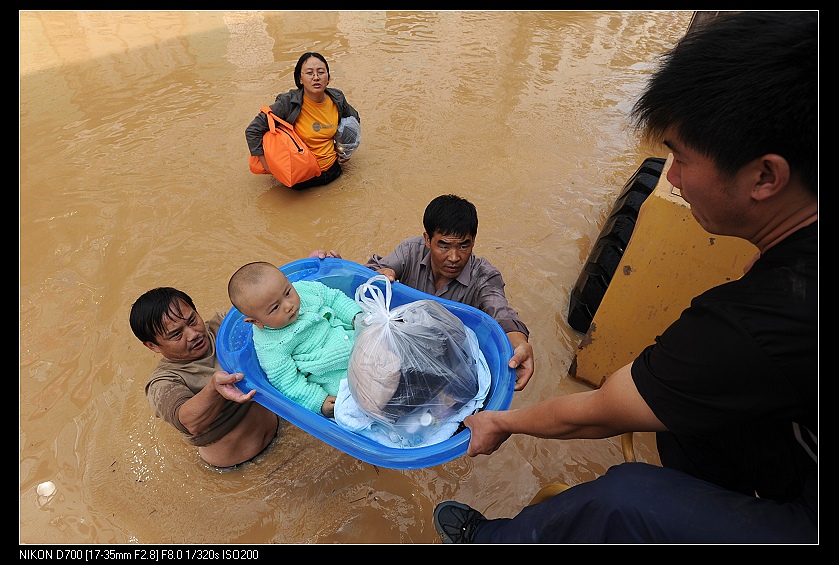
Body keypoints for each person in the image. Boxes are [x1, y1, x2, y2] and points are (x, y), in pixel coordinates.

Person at [433, 11, 817, 543]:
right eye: (442, 245)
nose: (672, 179)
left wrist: (501, 419)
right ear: (427, 242)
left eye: (679, 158)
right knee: (687, 426)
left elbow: (600, 409)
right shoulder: (406, 256)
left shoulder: (758, 320)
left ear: (765, 176)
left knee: (624, 498)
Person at [363, 194, 535, 391]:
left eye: (464, 246)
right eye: (443, 246)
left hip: (447, 361)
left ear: (474, 240)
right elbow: (370, 276)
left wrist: (520, 345)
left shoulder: (484, 277)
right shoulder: (411, 250)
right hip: (400, 344)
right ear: (427, 239)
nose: (454, 257)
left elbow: (503, 315)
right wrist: (380, 274)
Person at [130, 287, 280, 470]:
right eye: (177, 334)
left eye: (192, 320)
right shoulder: (164, 381)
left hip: (281, 429)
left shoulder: (224, 328)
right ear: (153, 346)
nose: (193, 334)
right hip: (237, 472)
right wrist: (214, 389)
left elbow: (279, 316)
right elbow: (189, 422)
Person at [227, 261, 362, 418]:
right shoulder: (270, 346)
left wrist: (356, 317)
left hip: (357, 340)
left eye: (287, 292)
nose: (288, 305)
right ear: (255, 322)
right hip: (334, 374)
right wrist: (319, 401)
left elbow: (334, 298)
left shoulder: (305, 289)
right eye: (275, 308)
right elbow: (288, 382)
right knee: (360, 405)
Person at [245, 52, 360, 190]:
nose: (316, 77)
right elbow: (253, 130)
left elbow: (354, 120)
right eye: (309, 73)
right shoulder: (288, 103)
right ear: (300, 79)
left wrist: (346, 151)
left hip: (334, 173)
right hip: (299, 182)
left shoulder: (337, 99)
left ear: (328, 78)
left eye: (321, 72)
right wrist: (269, 167)